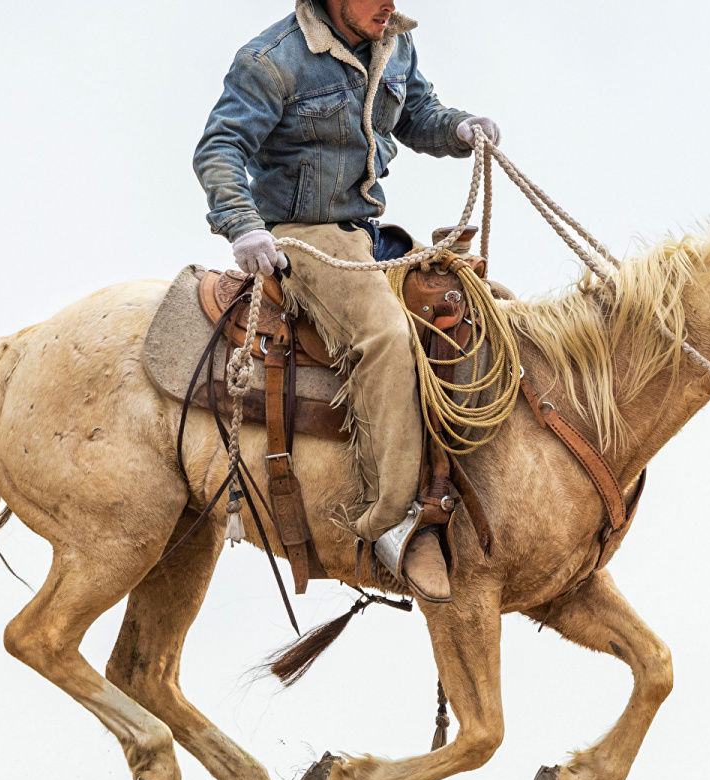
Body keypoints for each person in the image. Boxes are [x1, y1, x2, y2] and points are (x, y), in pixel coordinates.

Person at [194, 0, 498, 603]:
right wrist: (242, 225)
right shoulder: (271, 61)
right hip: (302, 236)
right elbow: (220, 147)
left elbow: (418, 113)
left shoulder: (393, 42)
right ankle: (389, 522)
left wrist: (461, 128)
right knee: (384, 337)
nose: (391, 4)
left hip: (367, 233)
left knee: (482, 308)